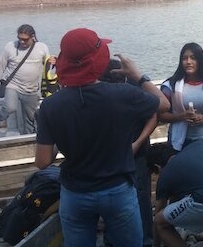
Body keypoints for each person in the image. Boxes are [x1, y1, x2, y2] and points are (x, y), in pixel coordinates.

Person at [34, 28, 170, 247]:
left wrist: (61, 139)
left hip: (75, 193)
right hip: (117, 190)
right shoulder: (122, 95)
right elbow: (163, 104)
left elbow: (42, 162)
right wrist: (138, 75)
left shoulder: (50, 106)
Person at [100, 59, 158, 247]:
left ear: (124, 76)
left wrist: (138, 142)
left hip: (137, 155)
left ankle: (146, 240)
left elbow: (155, 112)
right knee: (113, 201)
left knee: (141, 199)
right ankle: (113, 240)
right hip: (111, 157)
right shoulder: (101, 93)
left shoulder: (135, 89)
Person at [0, 24, 54, 135]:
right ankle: (2, 117)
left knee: (30, 118)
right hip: (13, 85)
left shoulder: (42, 47)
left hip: (32, 89)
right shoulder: (10, 47)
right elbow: (0, 67)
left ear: (33, 37)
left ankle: (27, 138)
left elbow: (47, 67)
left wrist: (52, 62)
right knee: (10, 107)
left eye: (25, 40)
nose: (22, 42)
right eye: (19, 39)